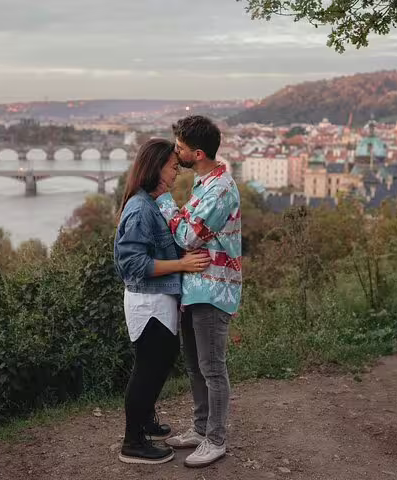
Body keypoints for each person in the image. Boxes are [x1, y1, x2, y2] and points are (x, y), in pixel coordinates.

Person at [114, 138, 212, 465]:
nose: (175, 174)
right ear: (156, 168)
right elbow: (132, 264)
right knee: (147, 369)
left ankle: (144, 423)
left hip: (160, 299)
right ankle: (133, 442)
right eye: (171, 167)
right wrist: (183, 265)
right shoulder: (141, 208)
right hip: (148, 302)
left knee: (160, 363)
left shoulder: (152, 203)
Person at [156, 116, 242, 468]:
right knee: (194, 366)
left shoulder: (221, 190)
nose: (176, 154)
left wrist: (164, 202)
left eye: (180, 149)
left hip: (213, 289)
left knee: (212, 368)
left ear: (199, 153)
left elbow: (189, 236)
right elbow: (189, 230)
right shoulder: (205, 184)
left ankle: (216, 439)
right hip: (195, 287)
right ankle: (201, 427)